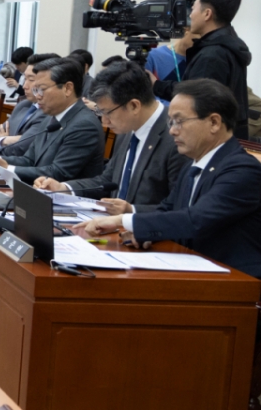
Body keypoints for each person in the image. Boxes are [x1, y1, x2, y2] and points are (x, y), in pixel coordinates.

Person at [76, 79, 261, 279]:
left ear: (214, 122)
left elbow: (196, 220)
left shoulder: (242, 170)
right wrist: (146, 233)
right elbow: (168, 209)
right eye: (170, 122)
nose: (172, 130)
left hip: (236, 282)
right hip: (192, 269)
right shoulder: (194, 163)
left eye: (179, 121)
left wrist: (124, 220)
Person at [36, 61, 188, 215]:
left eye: (107, 112)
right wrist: (63, 188)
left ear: (134, 106)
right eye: (100, 112)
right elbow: (108, 180)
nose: (104, 121)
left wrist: (131, 211)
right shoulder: (128, 127)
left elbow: (180, 208)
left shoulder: (177, 138)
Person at [0, 57, 105, 183]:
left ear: (67, 88)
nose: (38, 96)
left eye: (42, 89)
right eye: (36, 89)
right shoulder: (50, 117)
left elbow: (58, 172)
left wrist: (6, 168)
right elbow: (29, 160)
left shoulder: (84, 125)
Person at [154, 0, 252, 139]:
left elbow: (192, 99)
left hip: (211, 143)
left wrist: (155, 85)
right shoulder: (228, 45)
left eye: (193, 8)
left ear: (207, 14)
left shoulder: (212, 55)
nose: (190, 15)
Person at [0, 53, 59, 156]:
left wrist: (2, 141)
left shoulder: (49, 113)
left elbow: (21, 149)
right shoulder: (23, 105)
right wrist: (4, 141)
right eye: (25, 78)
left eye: (31, 80)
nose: (24, 86)